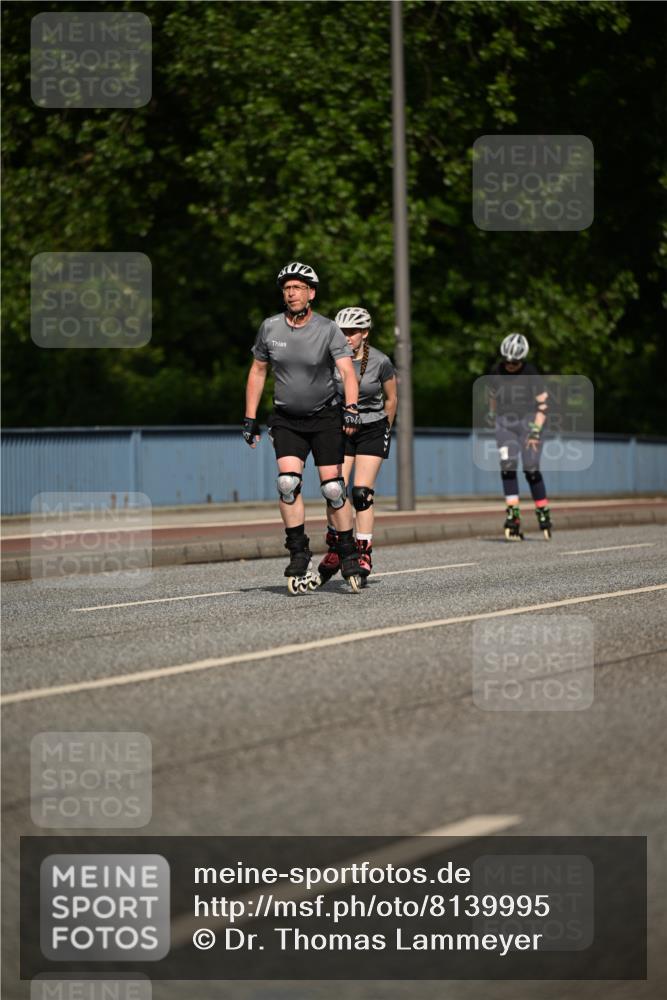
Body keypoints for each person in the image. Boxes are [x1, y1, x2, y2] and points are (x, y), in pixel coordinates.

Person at [242, 261, 364, 593]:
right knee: (287, 483)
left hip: (325, 417)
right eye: (286, 288)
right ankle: (298, 553)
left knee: (333, 489)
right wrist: (250, 418)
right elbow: (257, 371)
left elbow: (348, 372)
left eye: (297, 287)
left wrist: (351, 409)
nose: (291, 293)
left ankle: (348, 552)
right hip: (286, 419)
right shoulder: (270, 328)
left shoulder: (328, 329)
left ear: (311, 293)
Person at [317, 307, 398, 585]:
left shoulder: (380, 361)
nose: (346, 337)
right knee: (334, 490)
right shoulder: (330, 359)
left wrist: (385, 429)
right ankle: (337, 547)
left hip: (372, 429)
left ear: (364, 333)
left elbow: (391, 399)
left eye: (352, 332)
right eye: (342, 332)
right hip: (340, 428)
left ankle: (364, 552)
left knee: (361, 493)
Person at [486, 333, 552, 540]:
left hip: (529, 422)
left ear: (522, 359)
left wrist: (535, 431)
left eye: (515, 362)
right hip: (505, 423)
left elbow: (543, 405)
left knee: (531, 469)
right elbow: (492, 395)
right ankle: (513, 515)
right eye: (507, 361)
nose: (510, 365)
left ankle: (542, 511)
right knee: (508, 467)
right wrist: (492, 414)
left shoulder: (531, 373)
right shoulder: (496, 372)